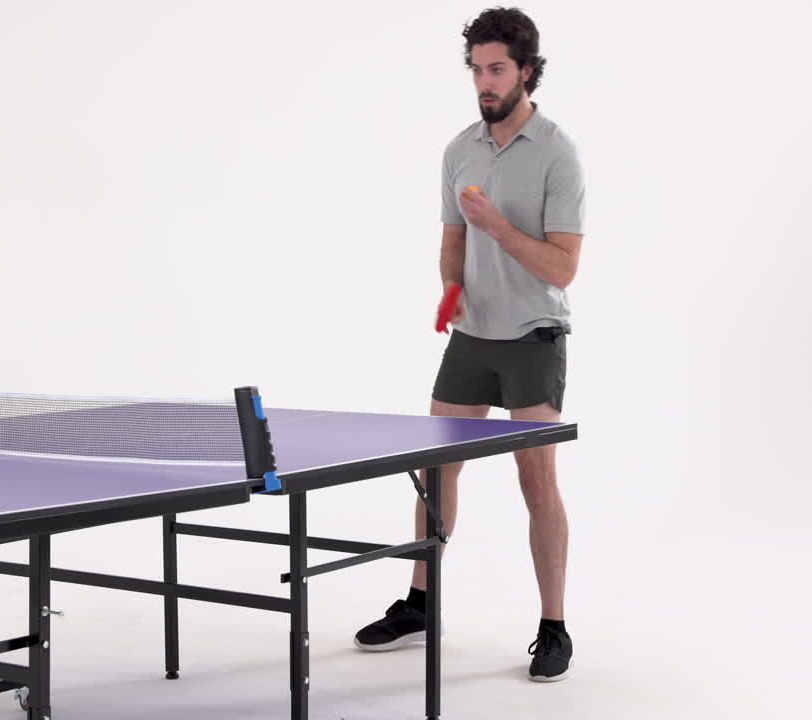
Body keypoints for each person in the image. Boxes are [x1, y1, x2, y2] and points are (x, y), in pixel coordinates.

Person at [352, 7, 585, 683]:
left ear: (528, 71)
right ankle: (422, 603)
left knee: (535, 479)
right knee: (435, 468)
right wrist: (451, 286)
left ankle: (554, 626)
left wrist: (498, 226)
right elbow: (453, 237)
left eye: (497, 69)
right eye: (477, 69)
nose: (484, 82)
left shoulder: (557, 152)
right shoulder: (459, 149)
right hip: (471, 337)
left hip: (533, 338)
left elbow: (563, 268)